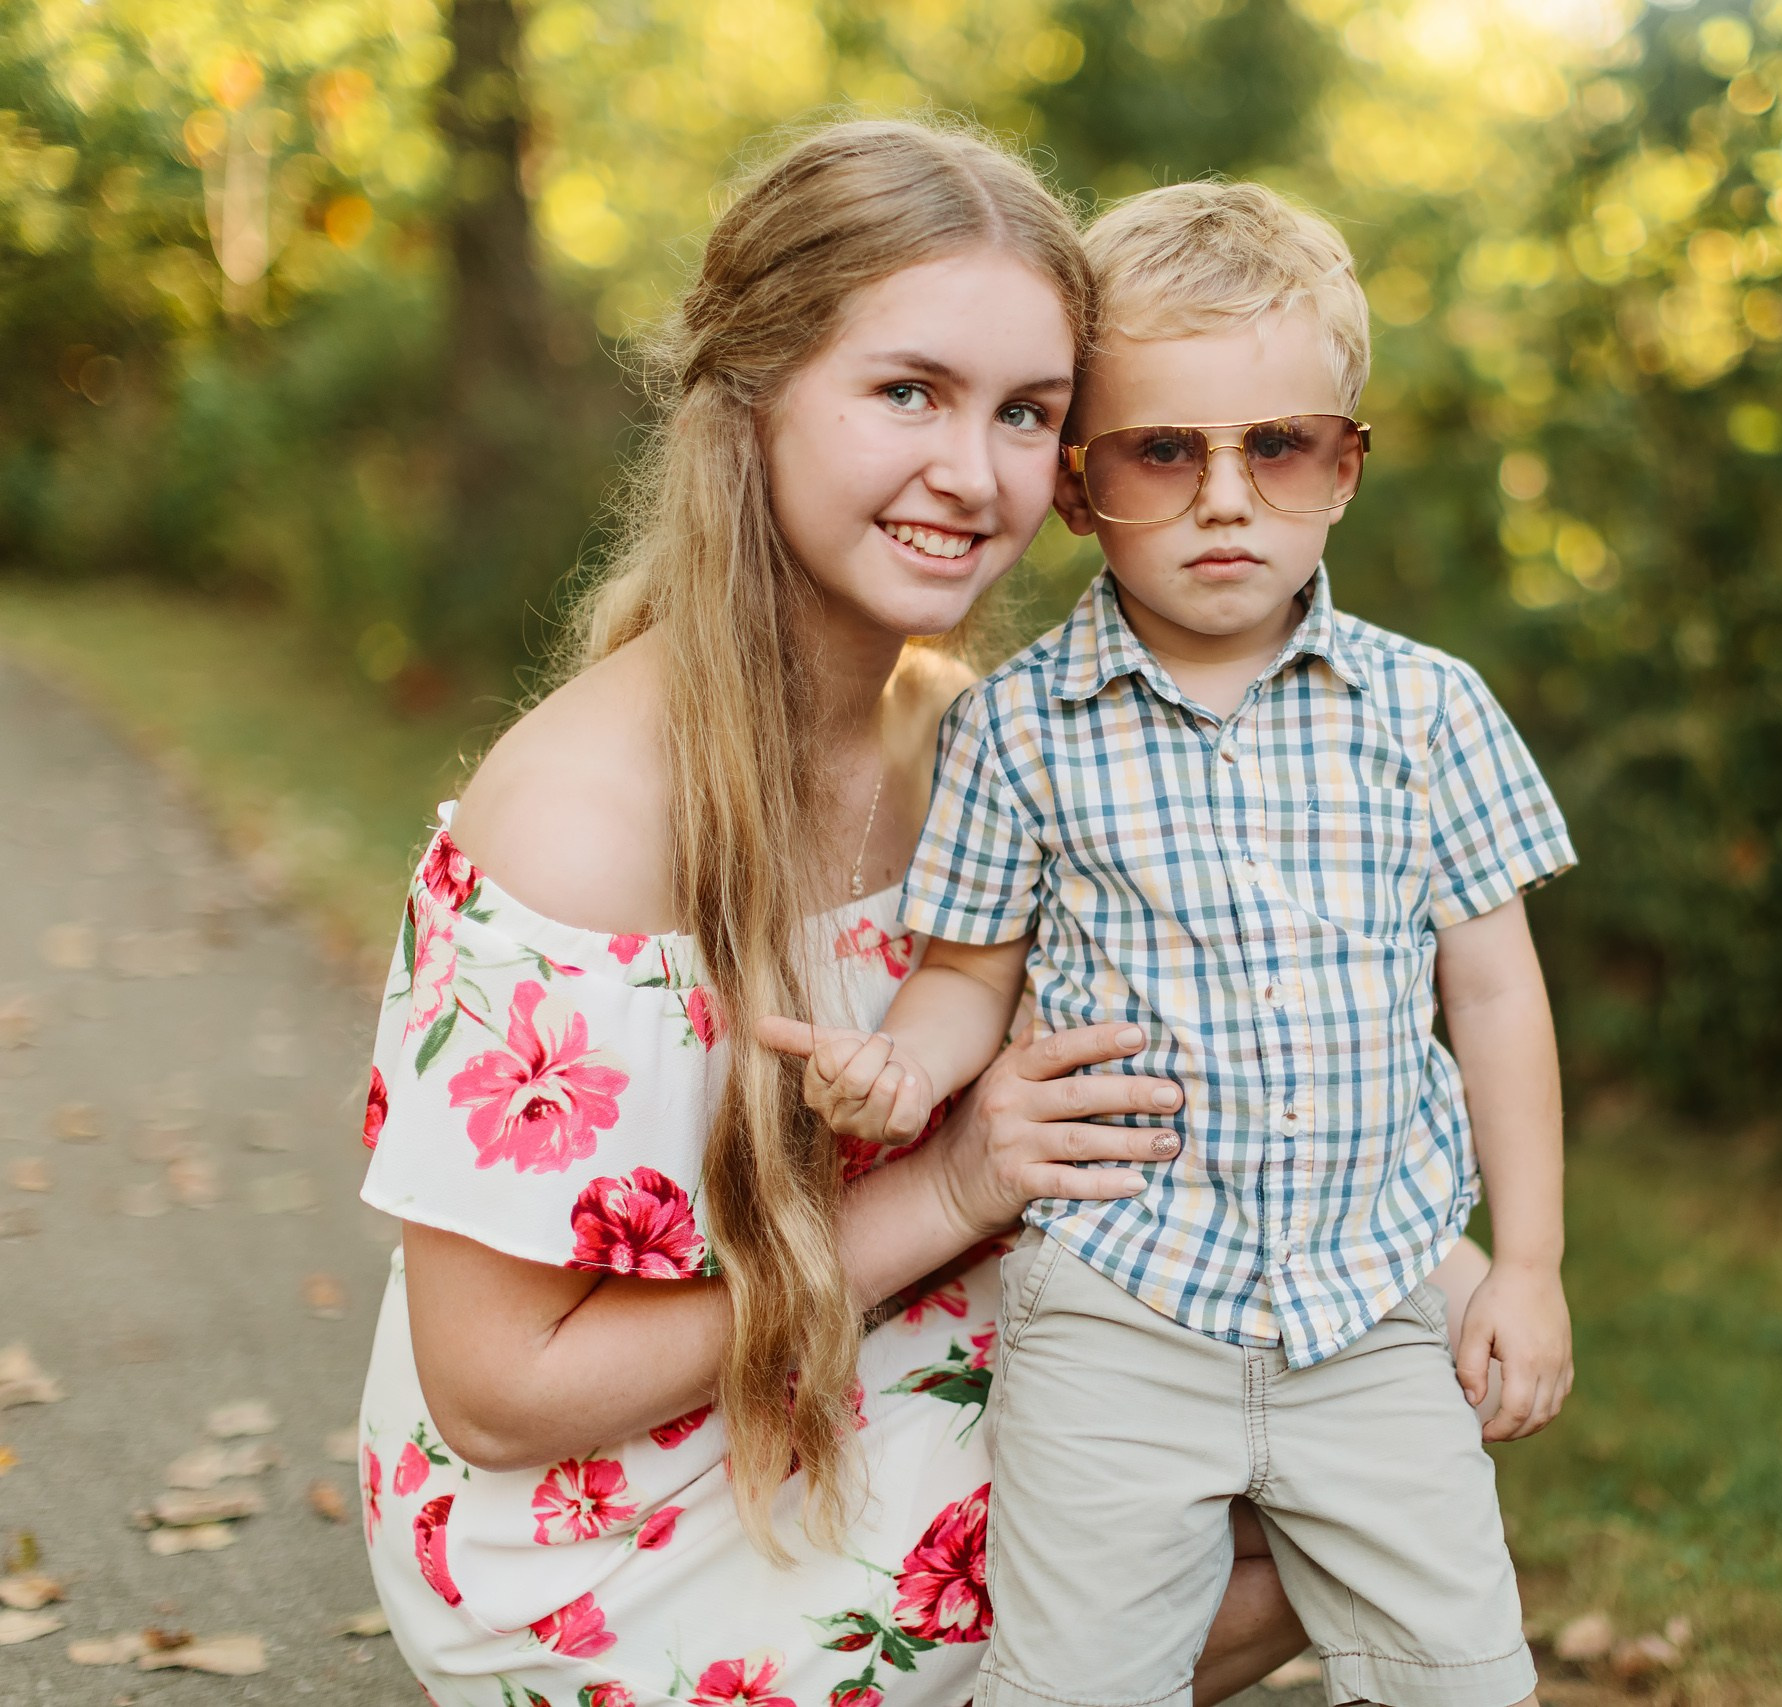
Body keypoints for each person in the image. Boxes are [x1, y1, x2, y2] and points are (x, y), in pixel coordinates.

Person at [351, 122, 1335, 1707]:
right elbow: (501, 1398)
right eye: (909, 392)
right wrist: (951, 1189)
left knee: (1364, 1455)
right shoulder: (589, 823)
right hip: (601, 1533)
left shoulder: (959, 735)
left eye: (1028, 414)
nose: (976, 472)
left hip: (847, 1349)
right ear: (749, 398)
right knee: (1270, 1537)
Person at [798, 181, 1576, 1707]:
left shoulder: (1428, 714)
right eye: (1165, 452)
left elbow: (1494, 993)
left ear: (1345, 465)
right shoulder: (1017, 730)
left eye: (1277, 445)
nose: (1227, 500)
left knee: (1462, 1677)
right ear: (1081, 488)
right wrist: (902, 1066)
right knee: (1078, 1678)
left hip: (1374, 1305)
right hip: (1121, 1312)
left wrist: (1529, 1266)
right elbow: (970, 976)